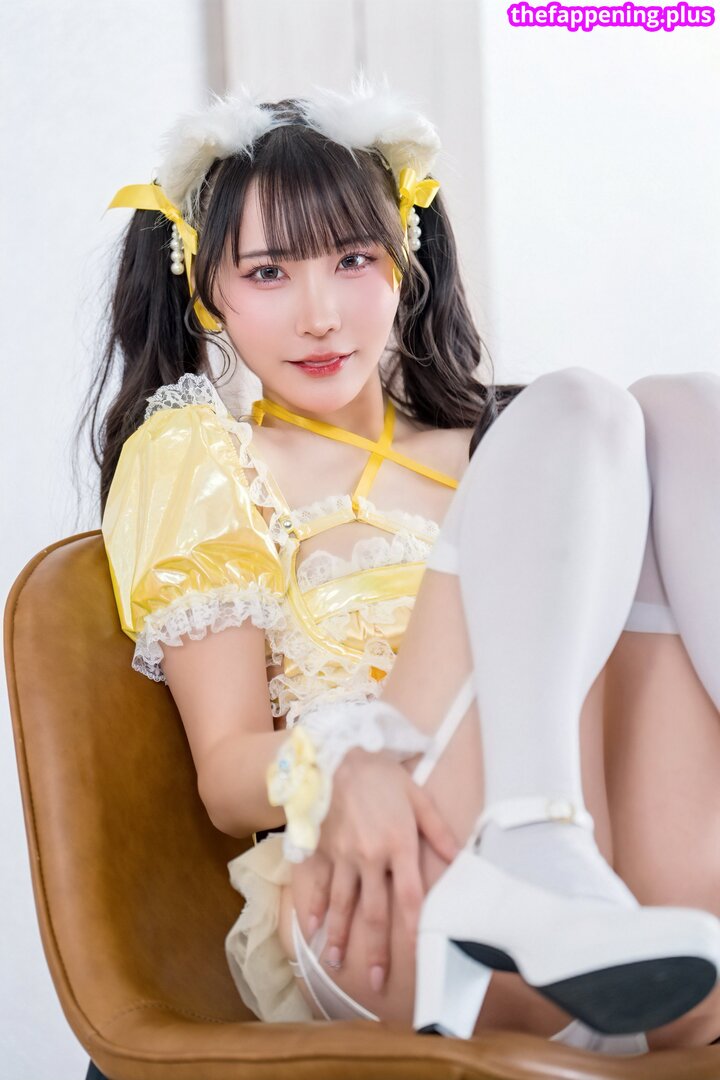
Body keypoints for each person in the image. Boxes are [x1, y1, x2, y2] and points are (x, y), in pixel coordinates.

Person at [95, 75, 720, 1056]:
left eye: (353, 258)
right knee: (581, 408)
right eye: (268, 273)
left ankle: (558, 865)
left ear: (405, 257)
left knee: (683, 412)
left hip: (633, 896)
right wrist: (338, 762)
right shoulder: (203, 456)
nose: (321, 315)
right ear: (205, 288)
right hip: (394, 895)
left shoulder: (502, 448)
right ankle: (532, 853)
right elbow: (226, 772)